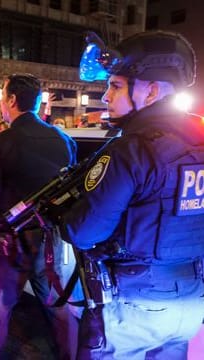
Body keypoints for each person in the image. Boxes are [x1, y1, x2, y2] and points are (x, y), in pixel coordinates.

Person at [61, 30, 204, 359]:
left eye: (116, 85)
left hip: (136, 306)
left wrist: (67, 216)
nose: (105, 97)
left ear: (151, 91)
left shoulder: (131, 149)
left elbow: (84, 233)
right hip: (190, 302)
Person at [0, 74, 77, 359]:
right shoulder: (64, 140)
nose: (1, 102)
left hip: (11, 244)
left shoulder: (3, 142)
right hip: (50, 241)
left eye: (2, 96)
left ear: (12, 100)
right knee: (58, 308)